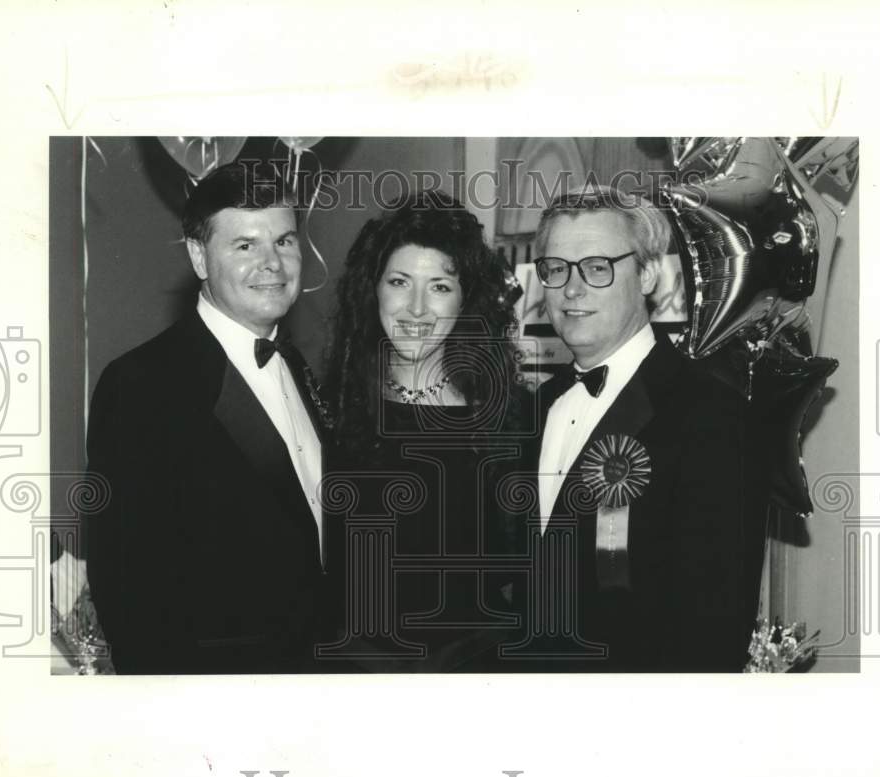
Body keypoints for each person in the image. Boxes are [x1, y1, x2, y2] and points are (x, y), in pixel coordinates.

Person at [85, 162, 331, 674]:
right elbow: (128, 595)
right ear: (199, 256)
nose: (274, 264)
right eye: (245, 245)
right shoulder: (142, 385)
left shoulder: (299, 367)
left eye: (284, 242)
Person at [528, 185, 767, 671]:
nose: (572, 290)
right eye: (556, 269)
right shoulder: (539, 405)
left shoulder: (711, 413)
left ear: (650, 274)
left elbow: (712, 628)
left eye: (597, 267)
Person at [321, 190, 531, 672]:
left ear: (466, 300)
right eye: (399, 281)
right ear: (372, 289)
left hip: (478, 673)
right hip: (355, 678)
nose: (416, 308)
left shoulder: (511, 417)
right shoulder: (330, 411)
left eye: (439, 286)